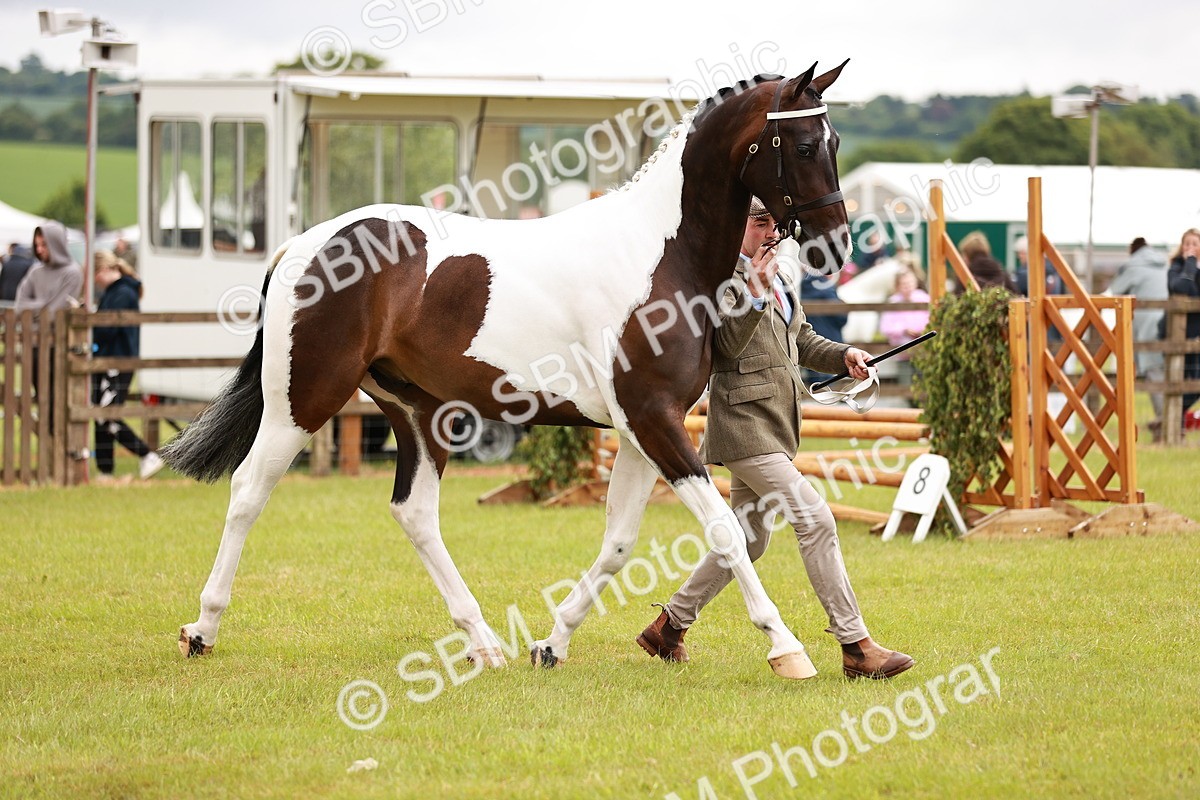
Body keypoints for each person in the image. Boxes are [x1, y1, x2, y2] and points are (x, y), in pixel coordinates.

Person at [636, 197, 914, 680]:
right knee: (816, 519)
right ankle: (855, 646)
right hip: (743, 426)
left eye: (776, 225)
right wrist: (753, 293)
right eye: (761, 222)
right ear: (736, 223)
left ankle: (669, 627)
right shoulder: (717, 276)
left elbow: (801, 339)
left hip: (776, 425)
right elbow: (724, 348)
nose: (772, 233)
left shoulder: (780, 276)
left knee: (749, 540)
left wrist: (844, 354)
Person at [91, 250, 164, 482]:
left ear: (103, 269)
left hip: (117, 362)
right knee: (101, 414)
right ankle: (105, 470)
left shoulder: (122, 293)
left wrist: (91, 325)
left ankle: (146, 454)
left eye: (94, 274)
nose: (94, 281)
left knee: (107, 414)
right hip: (110, 360)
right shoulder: (115, 292)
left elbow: (107, 329)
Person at [14, 221, 84, 435]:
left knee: (56, 398)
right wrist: (44, 303)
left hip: (59, 346)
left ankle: (57, 441)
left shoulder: (72, 273)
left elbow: (55, 313)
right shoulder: (35, 272)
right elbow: (19, 307)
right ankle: (49, 441)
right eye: (37, 245)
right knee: (41, 396)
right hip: (34, 346)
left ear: (56, 243)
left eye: (44, 244)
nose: (40, 249)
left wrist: (36, 307)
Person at [1107, 238, 1168, 429]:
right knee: (1166, 372)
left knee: (1153, 371)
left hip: (1146, 328)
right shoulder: (1163, 265)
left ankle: (1164, 421)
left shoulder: (1133, 267)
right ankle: (1170, 420)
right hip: (1167, 323)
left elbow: (1114, 292)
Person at [1166, 228, 1200, 422]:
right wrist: (1190, 262)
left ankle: (1175, 418)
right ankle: (1174, 423)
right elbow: (1181, 287)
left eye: (1195, 244)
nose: (1190, 247)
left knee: (1196, 384)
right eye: (1187, 244)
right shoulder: (1176, 268)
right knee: (1179, 382)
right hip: (1179, 335)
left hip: (1197, 337)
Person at [877, 267, 931, 390]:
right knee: (906, 385)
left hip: (923, 350)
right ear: (898, 286)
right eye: (904, 284)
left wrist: (923, 330)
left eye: (910, 283)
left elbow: (931, 319)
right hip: (902, 351)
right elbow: (885, 327)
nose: (908, 287)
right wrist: (903, 330)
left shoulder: (924, 298)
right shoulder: (893, 302)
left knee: (924, 384)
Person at [797, 271, 848, 383]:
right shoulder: (827, 289)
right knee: (829, 381)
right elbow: (841, 317)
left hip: (810, 340)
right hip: (830, 340)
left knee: (814, 379)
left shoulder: (801, 288)